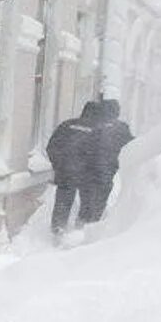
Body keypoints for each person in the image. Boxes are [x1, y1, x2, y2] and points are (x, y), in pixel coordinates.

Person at [44, 100, 101, 236]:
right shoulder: (98, 130)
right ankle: (81, 232)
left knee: (63, 202)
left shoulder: (67, 125)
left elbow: (51, 147)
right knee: (88, 203)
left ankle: (58, 231)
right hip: (86, 175)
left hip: (65, 173)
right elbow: (100, 155)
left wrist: (59, 165)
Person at [85, 98, 134, 223]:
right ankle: (93, 221)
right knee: (101, 198)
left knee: (88, 196)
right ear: (117, 112)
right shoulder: (122, 128)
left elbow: (85, 145)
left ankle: (83, 221)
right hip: (108, 170)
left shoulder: (94, 125)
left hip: (90, 169)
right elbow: (131, 146)